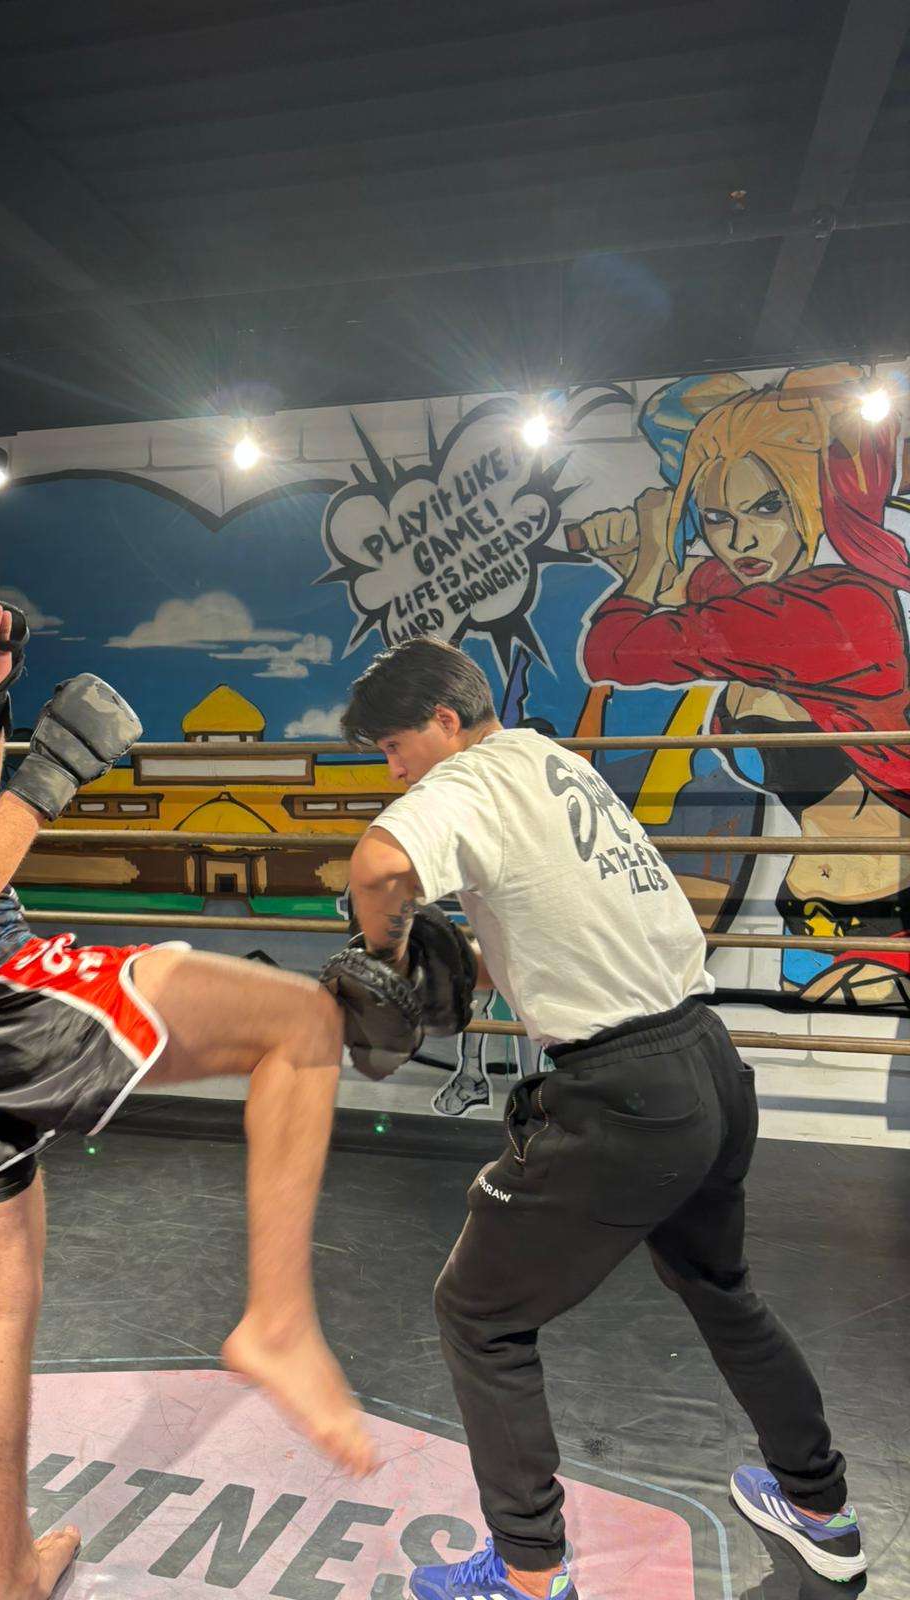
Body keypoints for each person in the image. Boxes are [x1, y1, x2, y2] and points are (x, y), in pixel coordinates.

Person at [0, 509, 373, 1600]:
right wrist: (58, 781)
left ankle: (11, 1576)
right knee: (302, 1022)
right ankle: (277, 1322)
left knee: (4, 1307)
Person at [339, 636, 865, 1599]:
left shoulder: (473, 782)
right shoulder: (555, 764)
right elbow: (564, 923)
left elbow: (377, 868)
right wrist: (470, 968)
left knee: (478, 1315)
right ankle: (823, 1511)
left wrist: (387, 953)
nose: (394, 767)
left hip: (624, 1095)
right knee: (720, 1287)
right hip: (706, 1059)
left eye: (394, 745)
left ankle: (531, 1576)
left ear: (445, 721)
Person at [580, 362, 910, 1007]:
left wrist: (647, 560)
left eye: (767, 507)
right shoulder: (770, 598)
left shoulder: (838, 608)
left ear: (813, 498)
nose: (742, 540)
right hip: (809, 915)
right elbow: (691, 588)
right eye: (717, 517)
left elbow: (613, 650)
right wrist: (639, 555)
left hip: (888, 921)